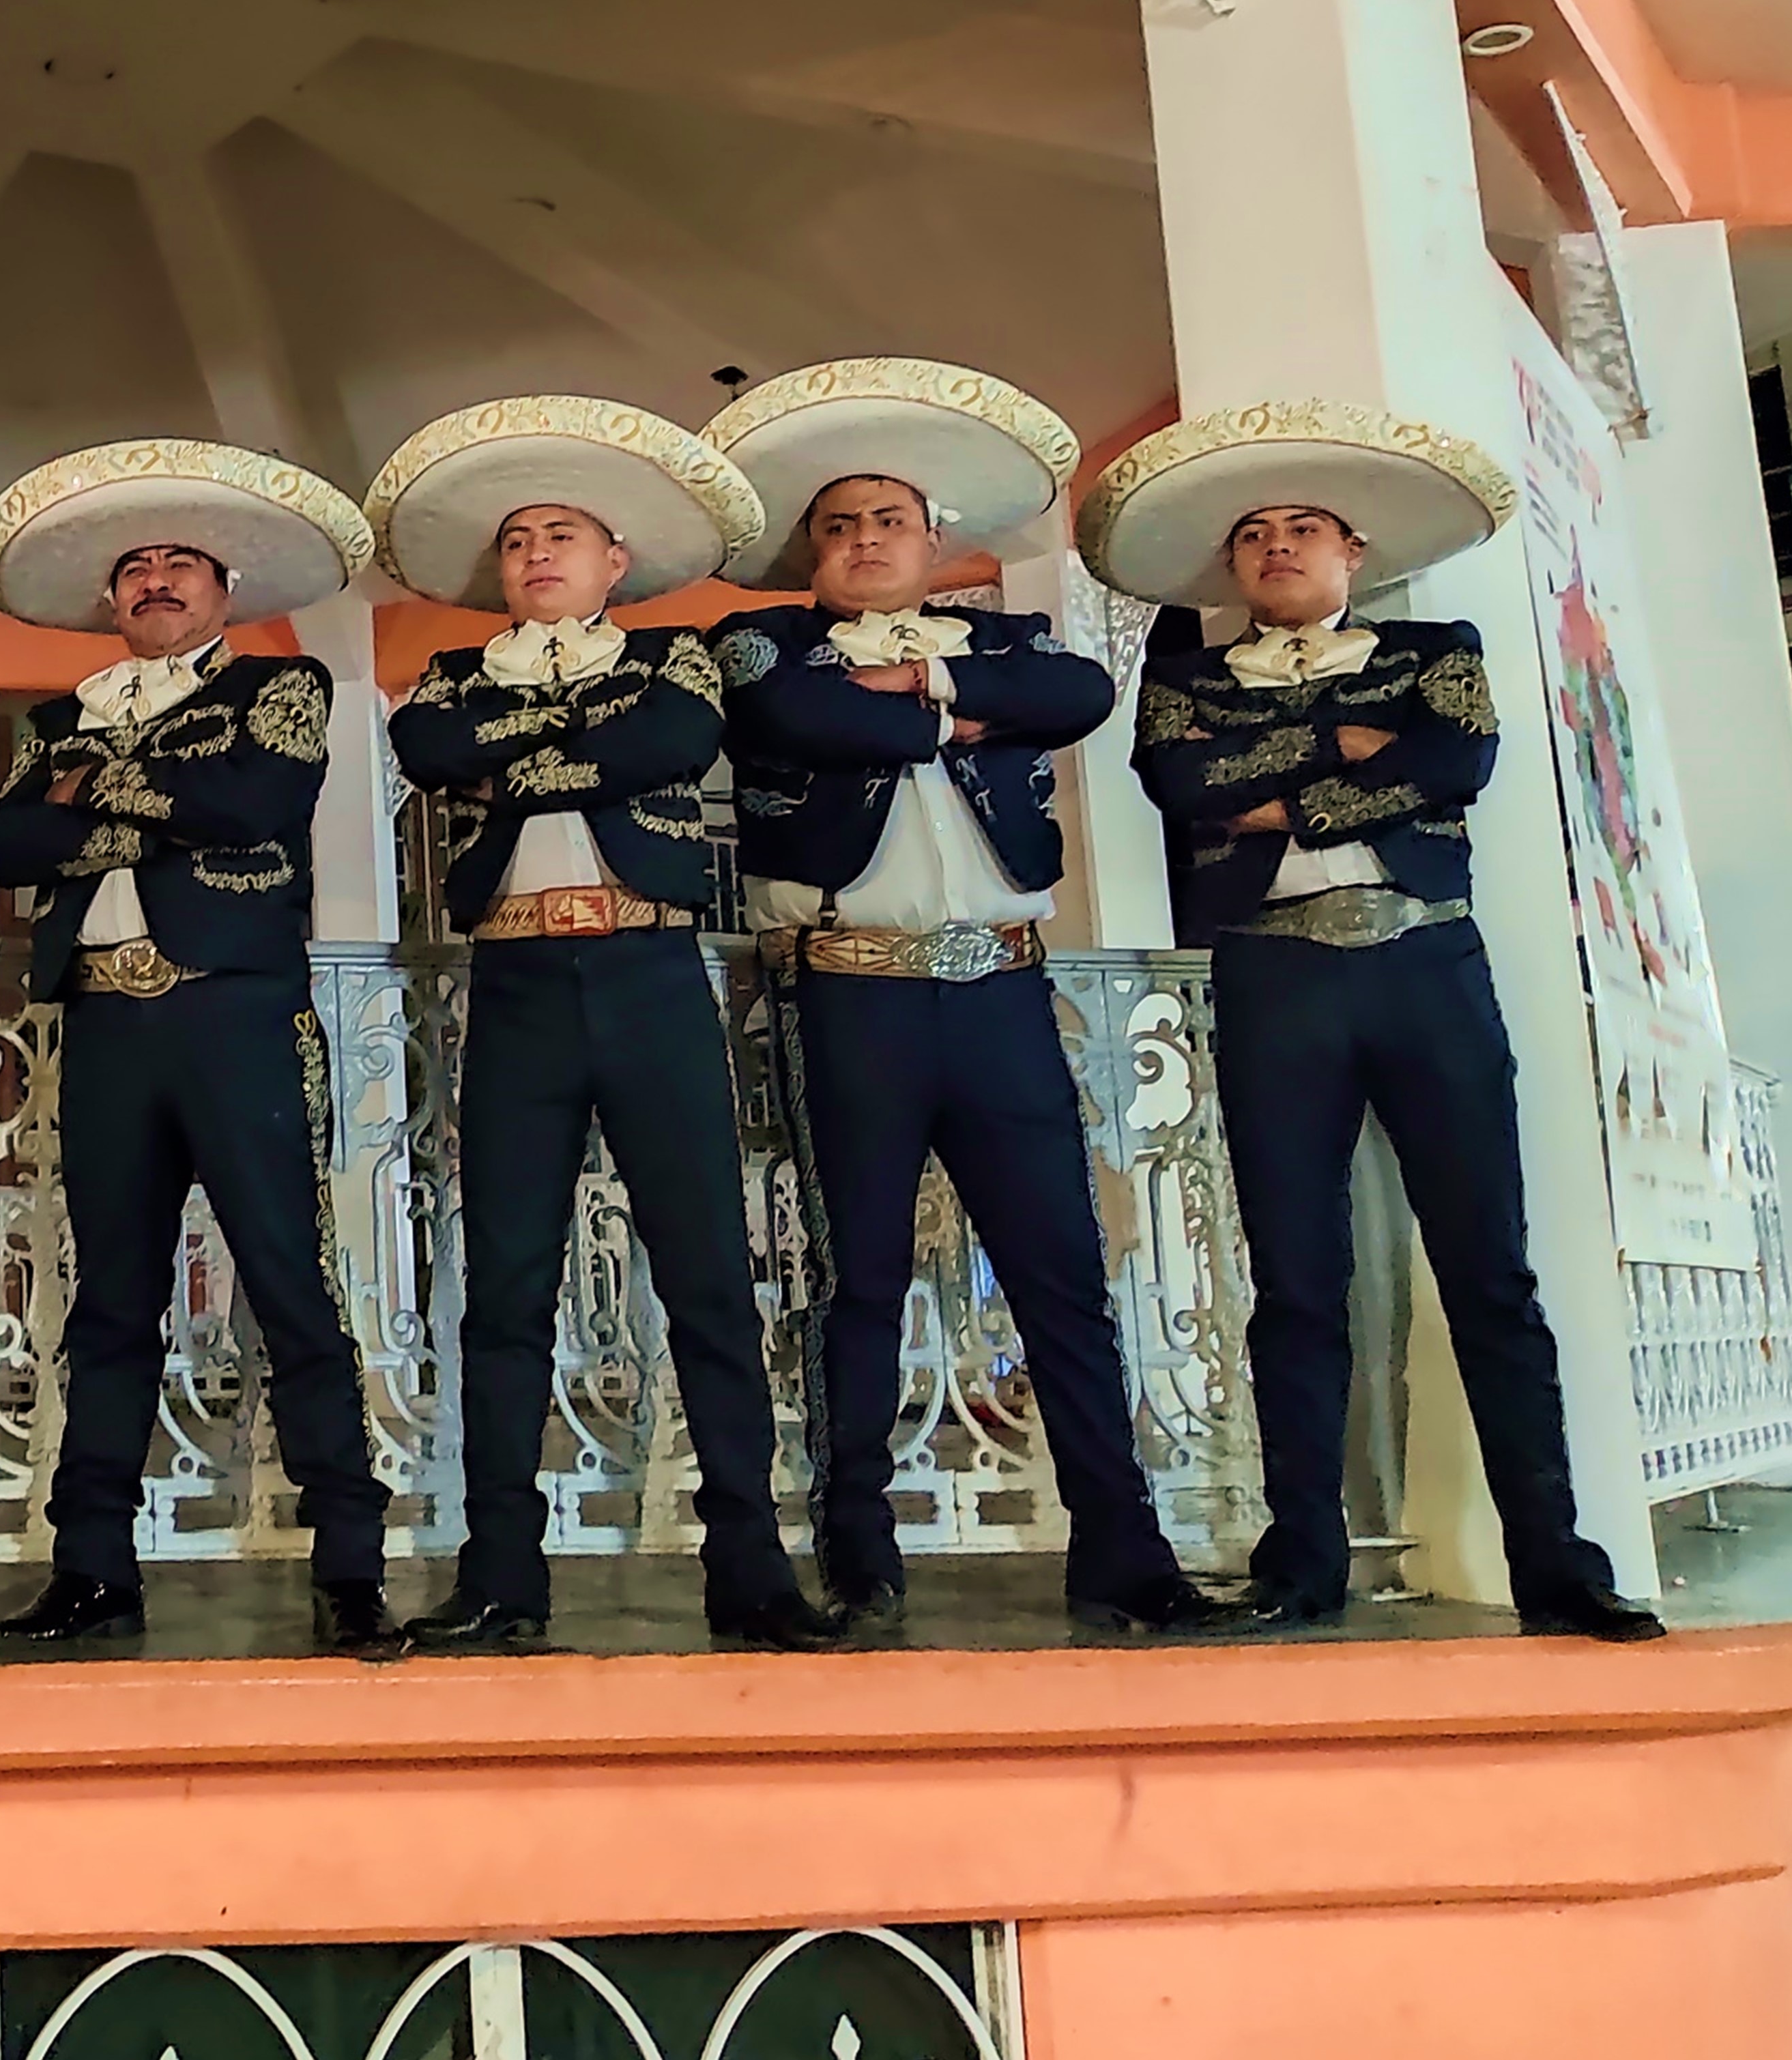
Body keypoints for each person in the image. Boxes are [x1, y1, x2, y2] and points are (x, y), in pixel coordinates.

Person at [1084, 400, 1663, 1641]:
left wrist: (1279, 789)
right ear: (1230, 566)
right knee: (1296, 1283)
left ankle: (1556, 1564)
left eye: (1303, 529)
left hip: (1426, 963)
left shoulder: (1435, 651)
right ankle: (1302, 1563)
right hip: (1272, 972)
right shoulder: (1186, 681)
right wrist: (1343, 748)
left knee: (1492, 1274)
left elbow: (1456, 764)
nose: (1277, 547)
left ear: (1354, 551)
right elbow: (1185, 786)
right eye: (1254, 535)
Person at [702, 359, 1230, 1638]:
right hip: (851, 991)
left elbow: (1080, 694)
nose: (864, 539)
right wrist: (955, 718)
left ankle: (1122, 1549)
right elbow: (800, 718)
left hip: (1001, 987)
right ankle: (859, 1549)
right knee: (860, 1277)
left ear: (933, 542)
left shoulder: (1005, 642)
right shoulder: (762, 644)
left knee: (1062, 1273)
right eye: (839, 523)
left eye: (889, 520)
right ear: (811, 549)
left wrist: (927, 685)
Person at [364, 398, 833, 1652]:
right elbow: (429, 747)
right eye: (517, 540)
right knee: (505, 1286)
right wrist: (577, 740)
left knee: (707, 1275)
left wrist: (517, 755)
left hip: (648, 968)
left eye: (559, 535)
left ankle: (751, 1568)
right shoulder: (455, 675)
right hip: (516, 979)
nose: (534, 555)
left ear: (614, 559)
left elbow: (669, 743)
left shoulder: (673, 660)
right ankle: (500, 1575)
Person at [0, 440, 402, 1658]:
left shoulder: (282, 687)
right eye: (136, 567)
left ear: (223, 587)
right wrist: (157, 797)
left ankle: (351, 1566)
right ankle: (92, 1568)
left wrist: (94, 795)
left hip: (238, 1014)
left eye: (180, 563)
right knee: (109, 1299)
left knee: (292, 1285)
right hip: (106, 1019)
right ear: (111, 595)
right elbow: (6, 845)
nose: (156, 579)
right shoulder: (60, 714)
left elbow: (252, 804)